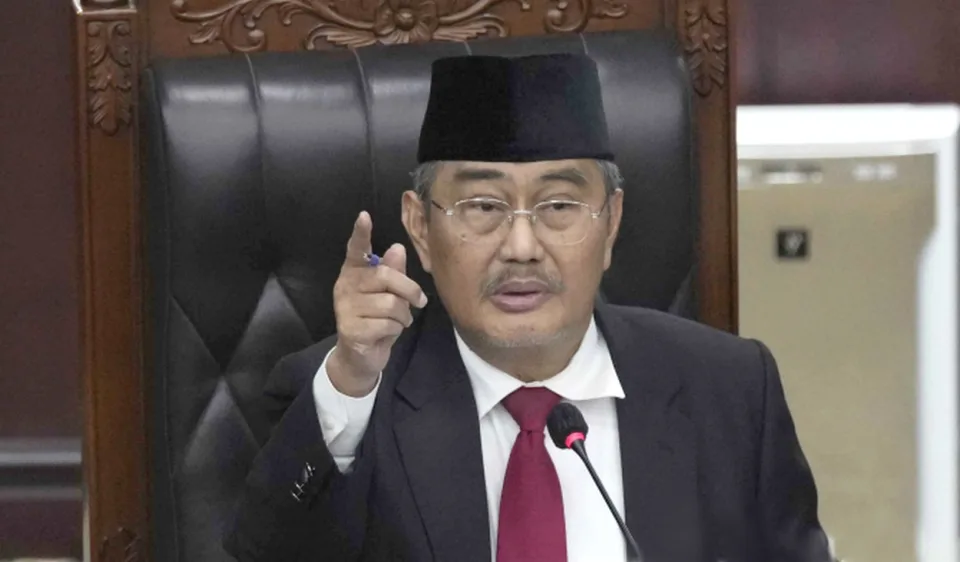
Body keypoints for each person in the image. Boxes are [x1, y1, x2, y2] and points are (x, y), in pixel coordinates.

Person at [225, 53, 833, 562]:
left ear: (611, 222)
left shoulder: (730, 392)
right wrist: (351, 383)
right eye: (483, 207)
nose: (521, 247)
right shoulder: (348, 397)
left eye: (559, 206)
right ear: (420, 227)